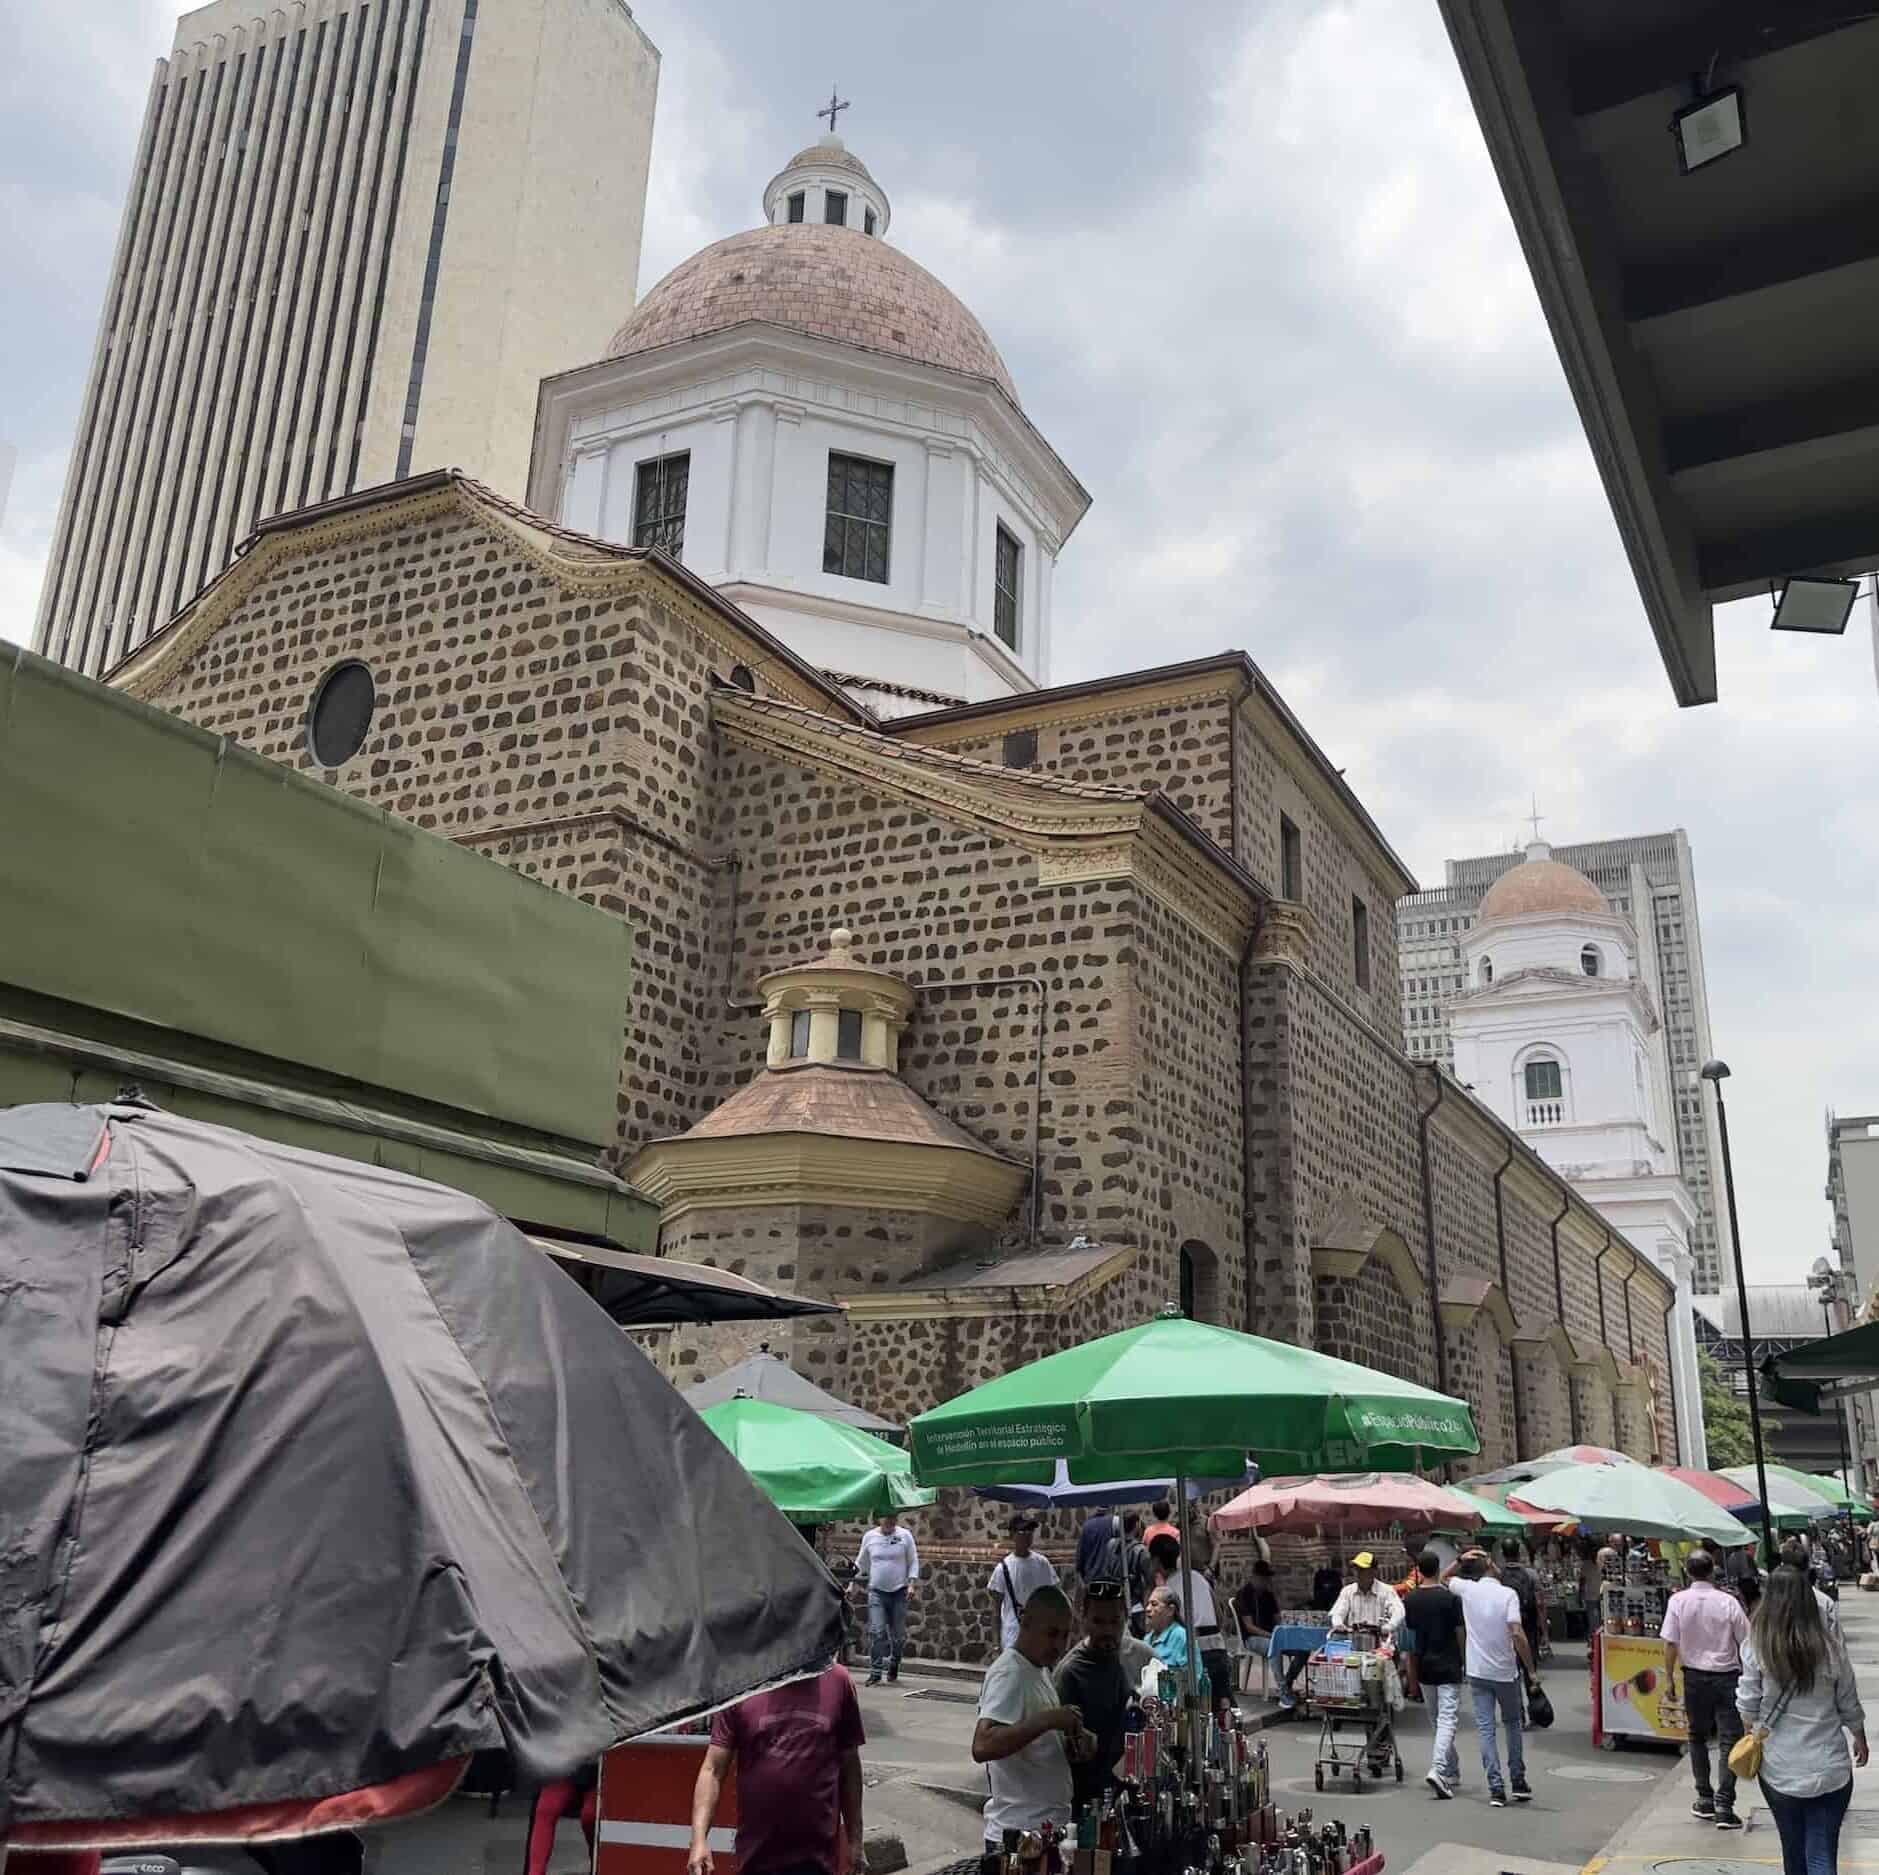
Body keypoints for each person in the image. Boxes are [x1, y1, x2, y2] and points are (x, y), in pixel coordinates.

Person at [1737, 1563, 1869, 1875]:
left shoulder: (1757, 1647)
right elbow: (1848, 1698)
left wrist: (1749, 1729)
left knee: (1792, 1849)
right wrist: (1859, 1735)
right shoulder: (1831, 1648)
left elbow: (1747, 1703)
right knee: (1822, 1852)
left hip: (1780, 1768)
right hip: (1831, 1767)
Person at [688, 1661, 865, 1875]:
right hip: (757, 1858)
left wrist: (856, 1841)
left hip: (819, 1861)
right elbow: (713, 1769)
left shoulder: (839, 1680)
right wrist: (698, 1840)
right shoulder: (739, 1685)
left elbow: (850, 1768)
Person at [973, 1584, 1091, 1848]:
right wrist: (1049, 1719)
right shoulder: (1010, 1673)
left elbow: (1036, 1743)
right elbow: (983, 1745)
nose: (1059, 1645)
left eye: (1064, 1635)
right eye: (1051, 1633)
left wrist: (1075, 1741)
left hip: (1045, 1829)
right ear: (1026, 1622)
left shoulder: (1038, 1670)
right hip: (1021, 1834)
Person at [1661, 1548, 1751, 1830]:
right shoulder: (1728, 1602)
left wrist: (1669, 1680)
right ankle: (1725, 1804)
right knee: (1729, 1740)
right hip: (1727, 1677)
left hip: (1694, 1677)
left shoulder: (1678, 1601)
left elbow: (1670, 1644)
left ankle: (1704, 1797)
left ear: (1688, 1571)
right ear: (1712, 1570)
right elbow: (1746, 1642)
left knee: (1696, 1737)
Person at [1446, 1550, 1539, 1808]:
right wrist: (1531, 1669)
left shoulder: (1468, 1590)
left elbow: (1444, 1577)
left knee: (1486, 1729)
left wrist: (1461, 1558)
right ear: (1488, 1564)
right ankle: (1518, 1780)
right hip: (1505, 1672)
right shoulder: (1508, 1594)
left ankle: (1496, 1787)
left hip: (1477, 1671)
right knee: (1511, 1724)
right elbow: (1517, 1633)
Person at [1055, 1582, 1151, 1808]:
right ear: (1083, 1619)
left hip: (1123, 1792)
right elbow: (1060, 1749)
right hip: (1087, 1803)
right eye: (1098, 1621)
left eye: (1115, 1621)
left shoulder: (1133, 1655)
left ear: (1125, 1620)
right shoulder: (1070, 1674)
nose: (1107, 1630)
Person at [1401, 1550, 1468, 1800]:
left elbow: (1409, 1641)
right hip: (1449, 1663)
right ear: (1438, 1568)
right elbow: (1460, 1632)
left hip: (1424, 1665)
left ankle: (1451, 1769)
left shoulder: (1411, 1600)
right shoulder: (1450, 1599)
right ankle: (1440, 1769)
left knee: (1437, 1720)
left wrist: (1411, 1674)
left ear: (1418, 1570)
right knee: (1447, 1720)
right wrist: (1464, 1660)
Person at [854, 1510, 919, 1686]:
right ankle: (875, 1672)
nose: (890, 1521)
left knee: (898, 1636)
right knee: (877, 1631)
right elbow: (861, 1562)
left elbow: (913, 1561)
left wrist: (912, 1584)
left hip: (899, 1591)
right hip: (877, 1591)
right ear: (879, 1518)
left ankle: (894, 1663)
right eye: (886, 1517)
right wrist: (851, 1583)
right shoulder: (870, 1537)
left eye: (893, 1517)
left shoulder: (905, 1536)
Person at [988, 1514, 1061, 1654]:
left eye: (1030, 1531)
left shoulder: (1043, 1563)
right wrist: (996, 1645)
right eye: (1022, 1531)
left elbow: (1055, 1596)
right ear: (1012, 1535)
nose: (1027, 1535)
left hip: (1039, 1635)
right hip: (1012, 1637)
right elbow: (996, 1610)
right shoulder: (1003, 1568)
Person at [1327, 1551, 1406, 1639]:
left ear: (1374, 1571)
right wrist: (1338, 1624)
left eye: (1362, 1569)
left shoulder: (1387, 1591)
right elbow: (1337, 1612)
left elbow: (1399, 1612)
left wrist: (1389, 1626)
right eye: (1356, 1568)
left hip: (1379, 1643)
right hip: (1354, 1642)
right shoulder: (1347, 1591)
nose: (1358, 1573)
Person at [1232, 1559, 1281, 1695]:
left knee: (1298, 1649)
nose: (1266, 1581)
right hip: (1252, 1638)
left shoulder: (1268, 1595)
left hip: (1271, 1635)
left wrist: (1282, 1633)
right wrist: (1272, 1636)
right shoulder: (1244, 1594)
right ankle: (1283, 1689)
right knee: (1274, 1646)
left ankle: (1287, 1682)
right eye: (1263, 1578)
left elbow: (1278, 1619)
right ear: (1255, 1577)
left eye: (1267, 1578)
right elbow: (1249, 1627)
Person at [1499, 1540, 1542, 1661]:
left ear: (1502, 1554)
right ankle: (1530, 1675)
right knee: (1528, 1649)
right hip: (1528, 1619)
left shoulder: (1498, 1575)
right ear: (1519, 1553)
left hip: (1506, 1620)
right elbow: (1539, 1602)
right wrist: (1543, 1628)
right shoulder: (1530, 1574)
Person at [1075, 1507, 1119, 1585]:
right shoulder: (1115, 1522)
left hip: (1091, 1579)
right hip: (1112, 1580)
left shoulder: (1087, 1526)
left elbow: (1080, 1557)